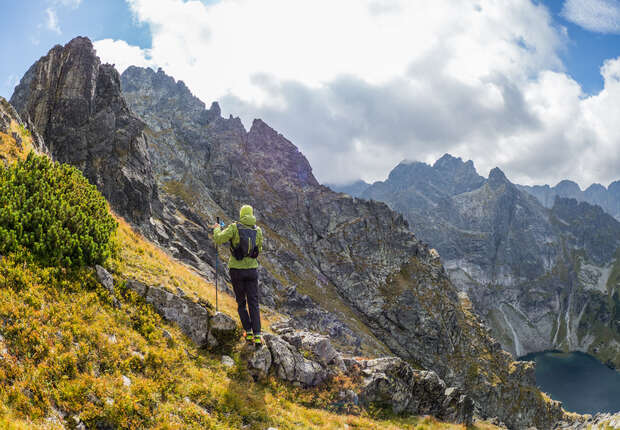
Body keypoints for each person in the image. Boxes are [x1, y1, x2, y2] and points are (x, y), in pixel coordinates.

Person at [211, 205, 264, 346]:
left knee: (241, 302)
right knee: (254, 303)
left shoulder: (234, 227)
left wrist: (217, 227)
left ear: (241, 214)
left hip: (236, 270)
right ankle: (258, 335)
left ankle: (248, 332)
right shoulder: (257, 230)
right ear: (251, 214)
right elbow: (259, 248)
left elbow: (218, 239)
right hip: (252, 271)